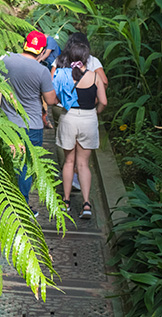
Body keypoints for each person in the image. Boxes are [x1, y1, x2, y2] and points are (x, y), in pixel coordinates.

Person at [0, 31, 58, 214]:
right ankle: (22, 207)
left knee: (9, 163)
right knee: (25, 167)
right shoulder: (41, 71)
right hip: (31, 126)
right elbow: (50, 100)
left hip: (7, 123)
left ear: (25, 44)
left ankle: (8, 203)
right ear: (41, 51)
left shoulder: (5, 59)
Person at [54, 38, 107, 219]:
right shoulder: (95, 76)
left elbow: (53, 98)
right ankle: (86, 204)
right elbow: (104, 102)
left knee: (69, 161)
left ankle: (66, 201)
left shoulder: (62, 74)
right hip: (89, 119)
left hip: (68, 118)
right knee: (83, 164)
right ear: (85, 58)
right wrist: (95, 113)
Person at [63, 32, 108, 191]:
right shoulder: (93, 61)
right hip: (88, 112)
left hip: (67, 111)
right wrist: (94, 99)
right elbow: (104, 81)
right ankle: (82, 191)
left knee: (69, 152)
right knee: (83, 156)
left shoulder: (63, 60)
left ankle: (68, 191)